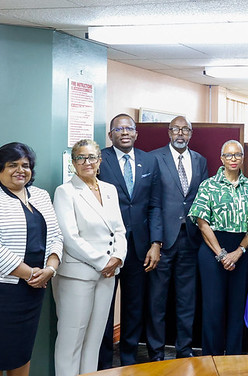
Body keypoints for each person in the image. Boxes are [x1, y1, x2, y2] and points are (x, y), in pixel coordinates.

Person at [0, 142, 63, 376]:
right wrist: (31, 274)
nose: (21, 170)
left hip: (32, 290)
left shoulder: (40, 195)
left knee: (21, 352)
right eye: (12, 165)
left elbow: (56, 236)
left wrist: (50, 269)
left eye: (25, 165)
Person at [52, 139, 127, 376]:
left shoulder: (109, 190)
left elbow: (120, 230)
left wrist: (118, 258)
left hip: (107, 275)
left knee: (94, 339)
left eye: (92, 157)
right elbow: (70, 237)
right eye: (81, 158)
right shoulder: (65, 192)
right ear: (73, 163)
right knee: (71, 339)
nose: (87, 162)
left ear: (100, 160)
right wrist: (103, 262)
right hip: (78, 275)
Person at [97, 114, 163, 368]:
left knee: (134, 306)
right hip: (108, 247)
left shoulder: (149, 161)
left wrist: (156, 243)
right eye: (118, 129)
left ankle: (128, 359)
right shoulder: (100, 159)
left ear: (136, 133)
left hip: (139, 247)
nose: (124, 132)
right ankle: (104, 363)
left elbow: (154, 205)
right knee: (104, 306)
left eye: (129, 128)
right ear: (110, 135)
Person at [188, 140, 248, 355]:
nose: (233, 159)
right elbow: (202, 222)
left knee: (237, 307)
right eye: (228, 155)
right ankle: (212, 357)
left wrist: (239, 251)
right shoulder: (208, 185)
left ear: (242, 158)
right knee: (213, 308)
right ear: (221, 158)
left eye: (237, 155)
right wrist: (221, 254)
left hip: (241, 250)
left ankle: (235, 357)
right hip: (212, 250)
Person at [150, 115, 208, 359]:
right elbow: (152, 202)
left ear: (191, 134)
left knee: (187, 300)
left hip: (191, 239)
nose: (181, 133)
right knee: (157, 300)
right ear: (169, 132)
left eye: (185, 129)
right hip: (163, 240)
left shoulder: (200, 161)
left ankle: (184, 349)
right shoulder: (154, 158)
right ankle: (155, 352)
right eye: (176, 129)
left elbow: (202, 198)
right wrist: (155, 240)